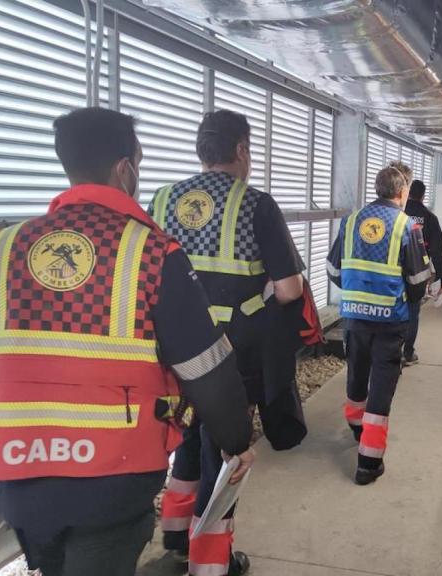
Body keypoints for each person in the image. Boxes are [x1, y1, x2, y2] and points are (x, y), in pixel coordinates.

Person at [0, 107, 255, 576]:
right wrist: (235, 440)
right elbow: (203, 364)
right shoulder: (151, 252)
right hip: (115, 476)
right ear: (125, 167)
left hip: (22, 472)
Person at [149, 109, 307, 576]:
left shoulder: (159, 201)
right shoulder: (256, 205)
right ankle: (211, 565)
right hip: (228, 356)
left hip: (168, 357)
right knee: (225, 453)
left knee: (189, 439)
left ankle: (175, 534)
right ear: (241, 150)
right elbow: (290, 290)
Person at [327, 166, 430, 485]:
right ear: (402, 192)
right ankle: (368, 463)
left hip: (355, 317)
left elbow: (333, 269)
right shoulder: (407, 225)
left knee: (356, 371)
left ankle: (356, 427)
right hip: (390, 320)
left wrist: (358, 289)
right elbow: (416, 281)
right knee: (382, 384)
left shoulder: (351, 221)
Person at [402, 178, 442, 366]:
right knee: (413, 311)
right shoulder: (429, 217)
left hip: (394, 271)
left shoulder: (398, 214)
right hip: (418, 272)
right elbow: (438, 249)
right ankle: (408, 353)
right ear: (423, 195)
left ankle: (390, 351)